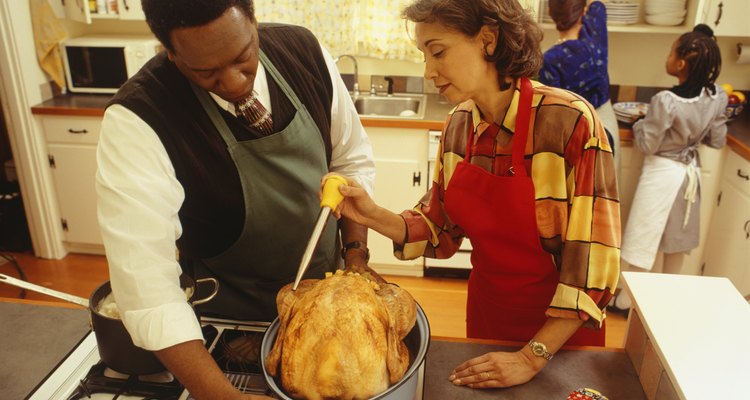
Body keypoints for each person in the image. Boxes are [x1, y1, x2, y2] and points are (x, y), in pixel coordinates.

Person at [325, 0, 620, 390]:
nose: (429, 72)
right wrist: (370, 213)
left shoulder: (570, 122)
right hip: (487, 319)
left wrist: (531, 358)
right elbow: (440, 230)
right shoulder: (459, 126)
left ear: (487, 39)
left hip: (560, 339)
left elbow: (594, 268)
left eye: (438, 52)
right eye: (424, 56)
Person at [95, 1, 375, 399]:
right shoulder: (138, 119)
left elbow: (350, 162)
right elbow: (147, 290)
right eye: (204, 72)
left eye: (243, 57)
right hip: (230, 324)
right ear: (169, 53)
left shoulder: (304, 52)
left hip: (327, 303)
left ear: (253, 21)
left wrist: (356, 256)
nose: (233, 82)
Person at [621, 24, 726, 275]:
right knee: (676, 239)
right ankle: (669, 293)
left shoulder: (666, 101)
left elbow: (648, 144)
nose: (667, 58)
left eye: (671, 53)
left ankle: (628, 299)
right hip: (689, 174)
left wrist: (640, 124)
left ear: (680, 65)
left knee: (643, 235)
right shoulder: (717, 97)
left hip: (662, 173)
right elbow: (717, 140)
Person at [539, 0, 620, 174]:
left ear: (551, 13)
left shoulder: (548, 60)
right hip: (605, 127)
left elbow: (552, 113)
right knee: (606, 191)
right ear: (583, 11)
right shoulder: (595, 39)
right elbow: (598, 5)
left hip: (572, 135)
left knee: (580, 194)